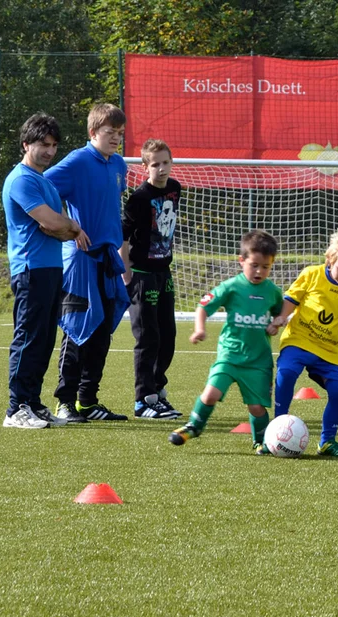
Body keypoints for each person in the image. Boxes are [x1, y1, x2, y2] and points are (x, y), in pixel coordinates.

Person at [2, 113, 90, 428]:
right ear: (27, 144)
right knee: (29, 338)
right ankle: (16, 409)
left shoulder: (44, 181)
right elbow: (53, 223)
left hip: (51, 269)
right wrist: (70, 227)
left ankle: (34, 404)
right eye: (43, 144)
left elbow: (59, 227)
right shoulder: (22, 179)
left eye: (53, 145)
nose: (50, 151)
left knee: (43, 340)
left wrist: (66, 228)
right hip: (31, 269)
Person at [46, 103, 131, 423]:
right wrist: (70, 227)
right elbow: (42, 188)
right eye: (111, 133)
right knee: (77, 329)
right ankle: (64, 402)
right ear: (93, 132)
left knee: (101, 332)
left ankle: (87, 401)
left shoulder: (119, 164)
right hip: (80, 261)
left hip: (107, 260)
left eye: (121, 133)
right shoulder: (78, 160)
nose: (117, 139)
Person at [268, 229, 338, 457]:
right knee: (287, 373)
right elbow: (292, 298)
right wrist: (281, 317)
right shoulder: (312, 274)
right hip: (299, 340)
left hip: (329, 350)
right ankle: (276, 430)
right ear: (330, 259)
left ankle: (327, 442)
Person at [168, 231, 284, 451]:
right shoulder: (231, 286)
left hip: (258, 361)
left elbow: (281, 314)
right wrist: (199, 329)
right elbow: (203, 307)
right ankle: (194, 426)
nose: (259, 271)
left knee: (257, 407)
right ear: (242, 260)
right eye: (254, 265)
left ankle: (260, 442)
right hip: (229, 355)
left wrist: (276, 323)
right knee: (210, 393)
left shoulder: (272, 292)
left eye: (266, 267)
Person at [120, 139, 182, 420]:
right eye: (155, 164)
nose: (161, 168)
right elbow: (122, 236)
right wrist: (126, 272)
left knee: (168, 335)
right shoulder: (139, 198)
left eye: (165, 162)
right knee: (147, 337)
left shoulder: (174, 189)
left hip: (163, 272)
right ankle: (143, 400)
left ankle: (157, 390)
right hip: (142, 274)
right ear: (145, 167)